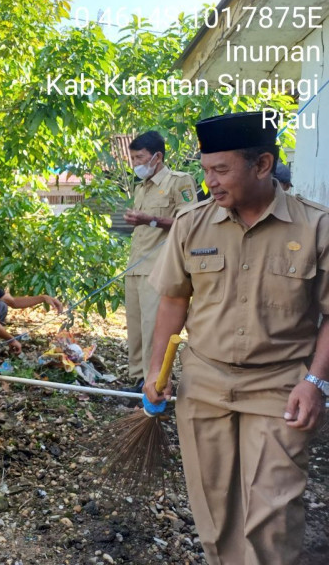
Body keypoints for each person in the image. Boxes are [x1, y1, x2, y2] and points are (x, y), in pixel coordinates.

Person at [145, 111, 328, 565]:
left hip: (280, 386)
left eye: (221, 170)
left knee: (272, 512)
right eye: (207, 170)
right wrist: (155, 371)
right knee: (214, 511)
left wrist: (317, 382)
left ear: (262, 165)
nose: (211, 183)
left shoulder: (316, 227)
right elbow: (173, 302)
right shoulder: (192, 224)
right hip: (204, 384)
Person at [123, 131, 197, 392]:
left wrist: (150, 220)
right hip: (135, 266)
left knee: (154, 329)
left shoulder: (180, 181)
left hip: (159, 268)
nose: (135, 163)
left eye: (139, 157)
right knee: (136, 329)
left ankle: (154, 381)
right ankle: (138, 380)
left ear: (157, 157)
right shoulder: (140, 186)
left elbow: (191, 223)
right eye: (132, 158)